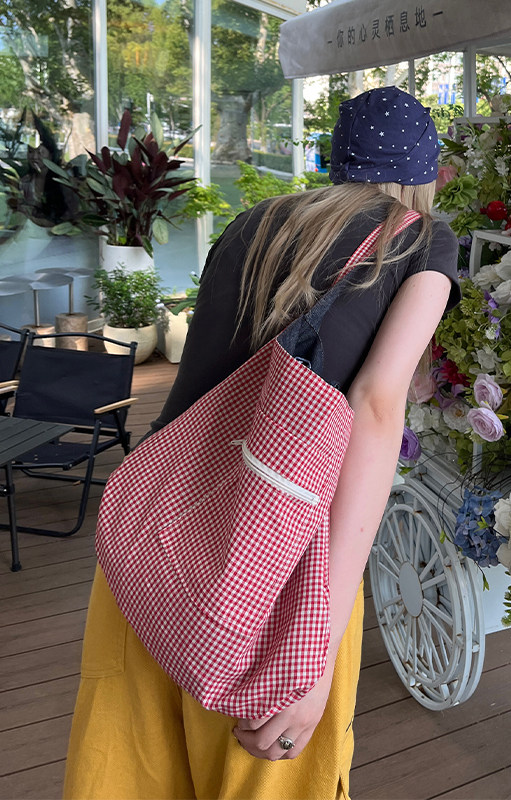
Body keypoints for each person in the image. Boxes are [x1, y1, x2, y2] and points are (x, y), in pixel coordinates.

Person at [63, 85, 460, 800]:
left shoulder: (256, 222)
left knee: (124, 773)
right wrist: (313, 653)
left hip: (149, 537)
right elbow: (375, 406)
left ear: (339, 158)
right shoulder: (422, 237)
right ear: (425, 172)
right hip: (272, 575)